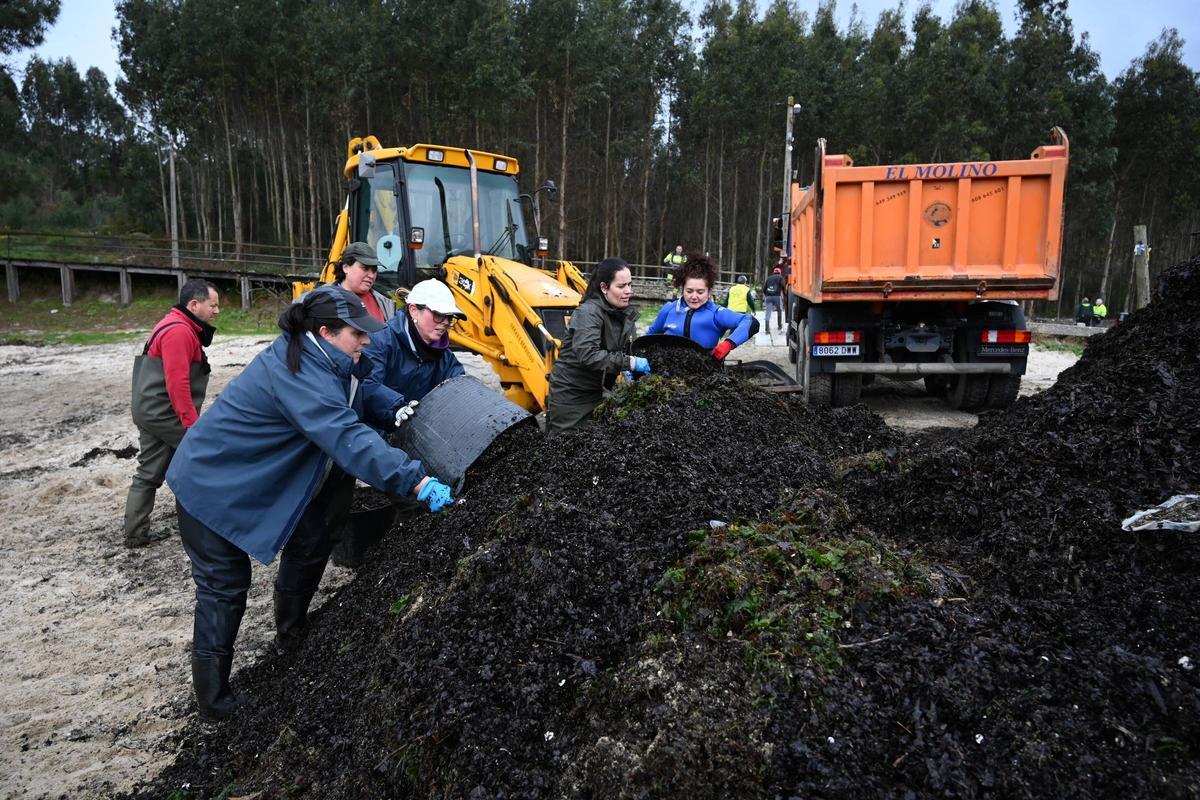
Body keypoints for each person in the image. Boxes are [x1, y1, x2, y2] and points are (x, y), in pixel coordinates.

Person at [165, 285, 454, 721]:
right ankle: (214, 702)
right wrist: (415, 481)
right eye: (356, 334)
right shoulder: (295, 370)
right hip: (211, 481)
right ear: (325, 331)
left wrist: (395, 407)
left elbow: (362, 394)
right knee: (225, 585)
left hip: (258, 477)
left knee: (316, 535)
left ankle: (292, 633)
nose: (366, 341)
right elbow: (345, 435)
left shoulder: (332, 358)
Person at [123, 279, 220, 548]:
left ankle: (135, 534)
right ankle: (209, 522)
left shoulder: (176, 324)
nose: (216, 311)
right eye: (213, 305)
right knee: (202, 458)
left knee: (149, 472)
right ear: (194, 304)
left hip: (150, 411)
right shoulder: (178, 331)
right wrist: (192, 426)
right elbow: (178, 383)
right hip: (165, 414)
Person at [546, 257, 648, 434]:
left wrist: (633, 370)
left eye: (630, 285)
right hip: (571, 396)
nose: (628, 291)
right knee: (565, 447)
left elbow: (623, 347)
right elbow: (588, 355)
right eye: (621, 286)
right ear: (604, 287)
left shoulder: (623, 313)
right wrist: (630, 362)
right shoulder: (589, 313)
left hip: (597, 392)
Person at [360, 279, 467, 432]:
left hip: (417, 434)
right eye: (438, 314)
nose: (445, 322)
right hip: (375, 431)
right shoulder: (381, 341)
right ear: (413, 310)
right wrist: (396, 408)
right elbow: (367, 384)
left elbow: (459, 388)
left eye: (449, 317)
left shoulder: (445, 358)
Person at [646, 253, 758, 360]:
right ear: (682, 289)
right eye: (689, 291)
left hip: (705, 373)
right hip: (668, 371)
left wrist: (729, 343)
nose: (694, 297)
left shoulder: (716, 314)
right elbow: (648, 337)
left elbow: (750, 322)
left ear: (709, 292)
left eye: (700, 292)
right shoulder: (669, 309)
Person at [335, 241, 395, 322]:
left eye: (374, 270)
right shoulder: (325, 300)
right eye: (365, 268)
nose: (371, 275)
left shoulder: (385, 302)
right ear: (346, 267)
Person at [762, 267, 785, 334]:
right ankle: (779, 326)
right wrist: (785, 296)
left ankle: (767, 329)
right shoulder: (780, 277)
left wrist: (767, 296)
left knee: (768, 312)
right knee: (779, 310)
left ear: (773, 272)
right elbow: (783, 287)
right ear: (779, 272)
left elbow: (764, 289)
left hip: (768, 297)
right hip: (777, 297)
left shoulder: (768, 278)